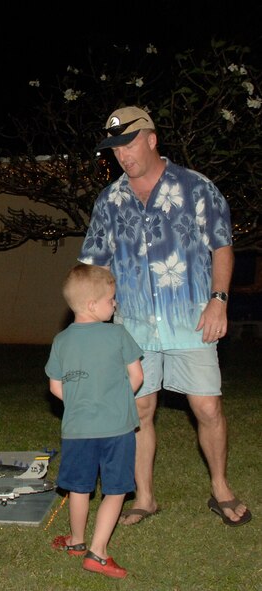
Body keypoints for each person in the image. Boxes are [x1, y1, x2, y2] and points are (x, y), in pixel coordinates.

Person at [79, 105, 252, 527]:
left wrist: (219, 299)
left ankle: (220, 488)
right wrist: (87, 318)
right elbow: (94, 265)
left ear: (152, 139)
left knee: (207, 406)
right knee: (139, 410)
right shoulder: (110, 201)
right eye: (114, 148)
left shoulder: (196, 188)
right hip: (133, 325)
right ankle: (146, 498)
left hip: (190, 318)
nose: (122, 154)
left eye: (129, 143)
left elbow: (222, 246)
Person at [46, 263, 143, 579]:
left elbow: (55, 387)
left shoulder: (61, 341)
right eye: (111, 299)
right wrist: (114, 400)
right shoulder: (117, 334)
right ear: (92, 305)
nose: (115, 304)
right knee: (115, 490)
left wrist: (80, 401)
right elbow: (137, 377)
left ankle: (76, 540)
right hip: (117, 429)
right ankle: (97, 553)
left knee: (79, 488)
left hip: (77, 430)